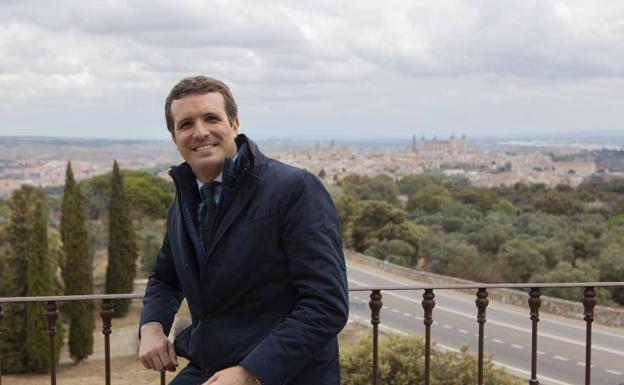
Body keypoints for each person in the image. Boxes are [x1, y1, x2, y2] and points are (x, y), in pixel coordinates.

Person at [138, 75, 349, 385]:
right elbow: (165, 277)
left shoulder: (294, 189)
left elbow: (326, 305)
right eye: (186, 124)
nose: (200, 132)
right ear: (174, 138)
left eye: (211, 118)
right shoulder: (186, 200)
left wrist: (251, 373)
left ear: (234, 123)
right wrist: (152, 325)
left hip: (285, 374)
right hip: (210, 367)